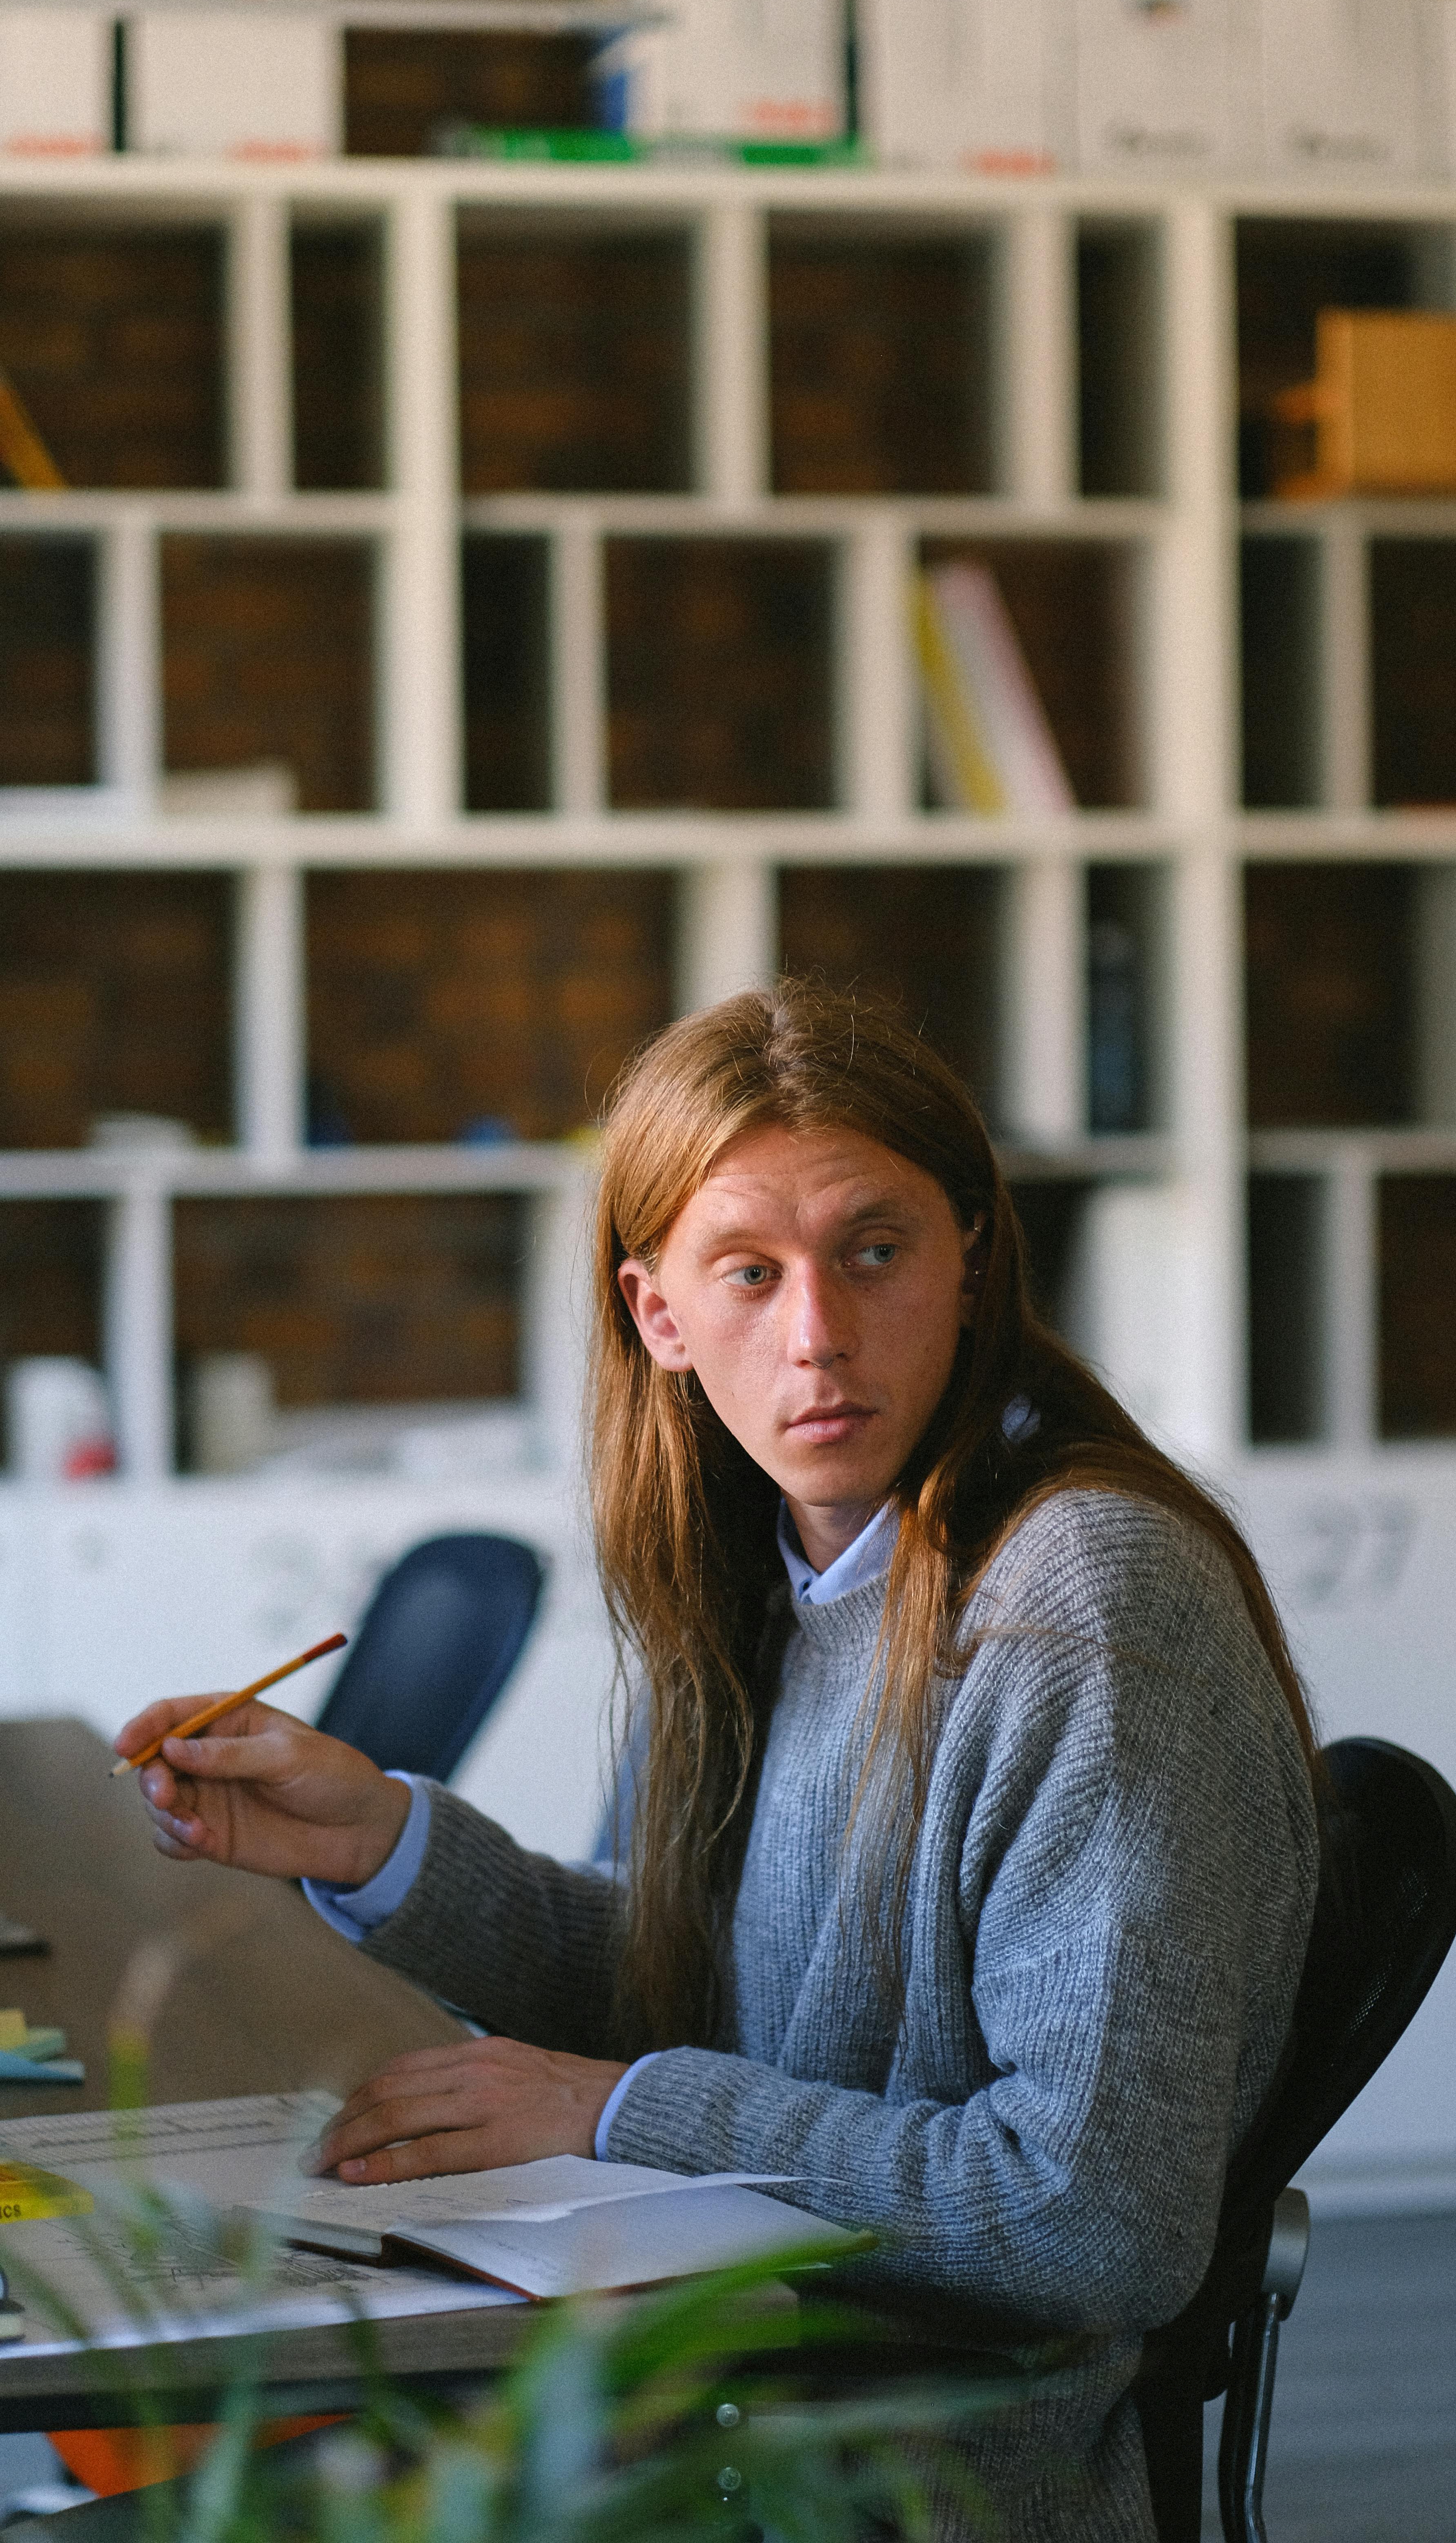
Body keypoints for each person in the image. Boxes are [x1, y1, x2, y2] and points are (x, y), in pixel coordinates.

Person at [116, 982, 1320, 2541]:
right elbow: (733, 1987)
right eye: (748, 1272)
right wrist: (380, 1842)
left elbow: (1091, 2218)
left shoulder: (1079, 1600)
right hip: (720, 2397)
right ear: (658, 1316)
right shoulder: (789, 1569)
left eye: (874, 1252)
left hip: (893, 2479)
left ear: (971, 1262)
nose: (817, 1334)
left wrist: (622, 2115)